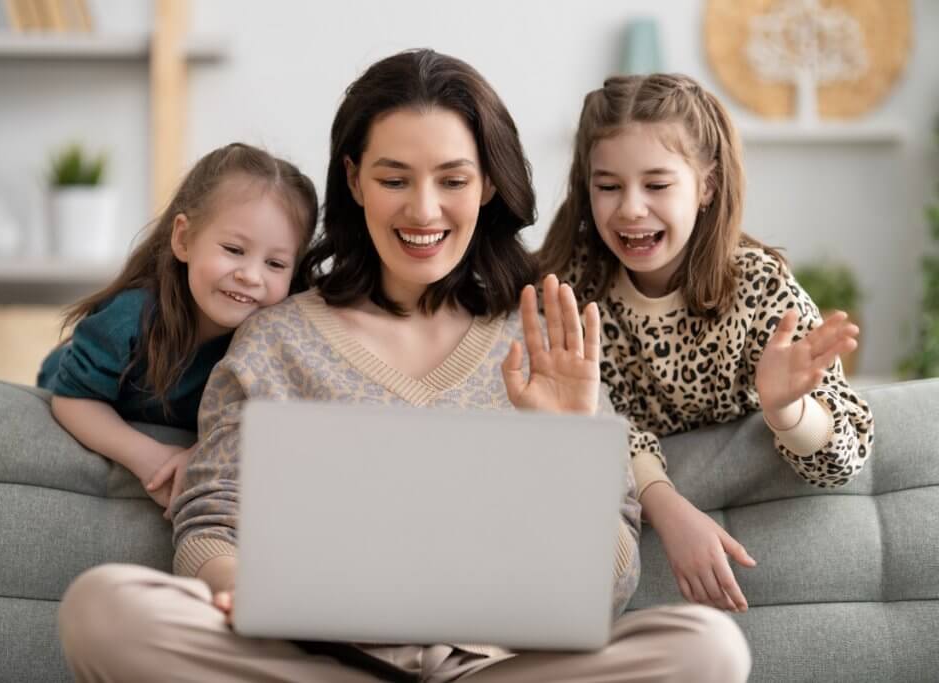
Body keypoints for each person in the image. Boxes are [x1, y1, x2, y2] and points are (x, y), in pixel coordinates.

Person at [57, 51, 750, 682]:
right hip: (318, 664)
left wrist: (567, 445)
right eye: (395, 178)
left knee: (705, 648)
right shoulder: (279, 340)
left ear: (486, 186)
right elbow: (208, 523)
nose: (423, 210)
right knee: (104, 607)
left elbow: (611, 582)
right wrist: (239, 586)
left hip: (490, 668)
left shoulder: (539, 338)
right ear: (355, 180)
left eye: (452, 179)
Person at [536, 73, 874, 614]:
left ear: (707, 186)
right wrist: (667, 507)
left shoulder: (762, 289)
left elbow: (844, 459)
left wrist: (787, 409)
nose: (630, 209)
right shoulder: (569, 290)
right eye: (608, 186)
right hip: (625, 546)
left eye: (657, 184)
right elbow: (592, 426)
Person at [38, 143, 317, 516]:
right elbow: (72, 398)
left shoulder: (273, 333)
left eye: (275, 263)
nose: (251, 276)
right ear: (183, 238)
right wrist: (149, 456)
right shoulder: (130, 317)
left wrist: (199, 452)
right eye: (234, 249)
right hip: (76, 380)